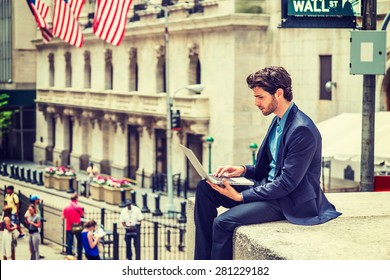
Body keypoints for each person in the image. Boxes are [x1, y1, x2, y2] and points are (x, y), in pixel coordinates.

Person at [194, 66, 342, 260]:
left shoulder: (302, 129)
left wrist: (241, 197)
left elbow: (287, 183)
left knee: (222, 222)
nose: (256, 103)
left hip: (287, 200)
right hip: (267, 188)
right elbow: (268, 168)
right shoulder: (279, 120)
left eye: (260, 97)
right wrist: (242, 169)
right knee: (205, 188)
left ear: (278, 93)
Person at [62, 193, 84, 260]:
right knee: (79, 242)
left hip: (69, 226)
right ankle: (79, 256)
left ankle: (69, 257)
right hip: (77, 226)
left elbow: (63, 217)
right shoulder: (79, 207)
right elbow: (82, 215)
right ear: (76, 199)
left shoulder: (66, 208)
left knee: (69, 243)